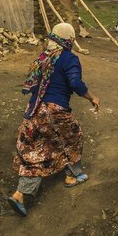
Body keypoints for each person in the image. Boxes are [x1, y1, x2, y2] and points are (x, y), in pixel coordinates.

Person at [8, 23, 100, 216]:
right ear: (70, 40)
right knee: (72, 137)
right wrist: (92, 97)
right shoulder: (69, 58)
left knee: (36, 151)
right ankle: (72, 177)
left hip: (33, 111)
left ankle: (19, 194)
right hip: (53, 110)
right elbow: (75, 83)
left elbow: (35, 86)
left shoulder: (43, 58)